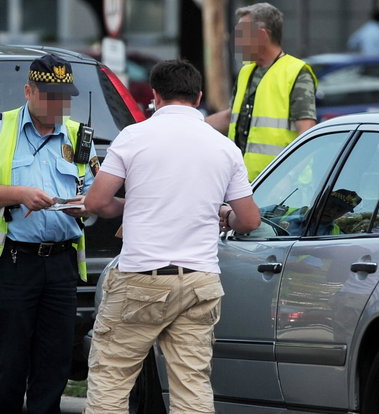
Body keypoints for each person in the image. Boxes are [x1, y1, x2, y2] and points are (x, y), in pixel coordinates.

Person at [83, 59, 261, 414]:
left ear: (155, 96)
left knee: (112, 380)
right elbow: (249, 219)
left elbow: (97, 202)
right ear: (198, 97)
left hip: (140, 280)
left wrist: (131, 203)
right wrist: (223, 214)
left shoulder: (133, 137)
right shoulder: (224, 147)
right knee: (191, 385)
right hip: (199, 281)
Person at [0, 53, 97, 414]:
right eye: (50, 96)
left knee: (54, 365)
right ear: (28, 91)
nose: (59, 105)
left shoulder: (80, 135)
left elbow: (94, 193)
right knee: (8, 363)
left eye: (65, 97)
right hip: (13, 262)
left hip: (62, 263)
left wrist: (86, 204)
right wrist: (19, 195)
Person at [205, 2, 318, 182]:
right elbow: (231, 116)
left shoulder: (296, 72)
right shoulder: (246, 72)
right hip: (245, 184)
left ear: (261, 36)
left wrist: (286, 180)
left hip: (282, 191)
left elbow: (306, 133)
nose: (237, 41)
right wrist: (188, 124)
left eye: (241, 35)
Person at [277, 188, 361, 236]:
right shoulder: (279, 212)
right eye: (331, 205)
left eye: (340, 210)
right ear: (320, 199)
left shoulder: (337, 236)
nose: (332, 211)